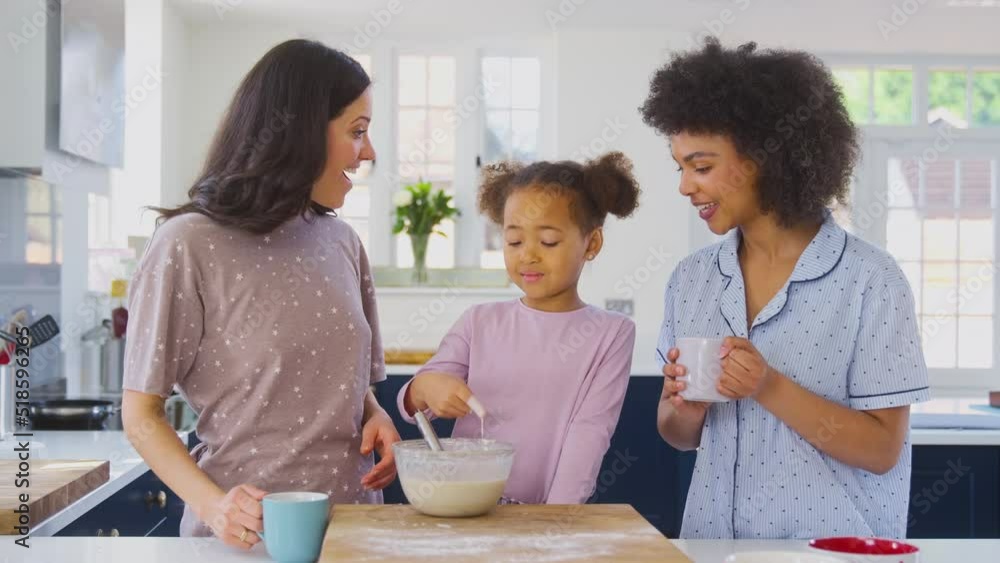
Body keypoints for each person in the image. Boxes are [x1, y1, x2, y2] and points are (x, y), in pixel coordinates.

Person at [642, 39, 930, 539]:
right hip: (712, 548)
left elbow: (882, 451)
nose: (685, 187)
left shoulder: (871, 281)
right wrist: (682, 409)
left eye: (702, 166)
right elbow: (680, 437)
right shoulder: (691, 281)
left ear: (764, 159)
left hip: (833, 553)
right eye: (681, 167)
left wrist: (767, 386)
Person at [121, 39, 400, 548]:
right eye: (356, 132)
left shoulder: (342, 241)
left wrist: (373, 415)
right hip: (244, 540)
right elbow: (140, 414)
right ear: (299, 132)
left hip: (355, 534)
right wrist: (213, 505)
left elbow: (351, 383)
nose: (370, 152)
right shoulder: (188, 243)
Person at [397, 152, 641, 504]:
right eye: (514, 242)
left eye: (548, 242)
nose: (528, 255)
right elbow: (415, 399)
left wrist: (555, 521)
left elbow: (589, 435)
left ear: (592, 243)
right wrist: (425, 387)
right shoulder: (479, 321)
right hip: (464, 508)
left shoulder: (611, 334)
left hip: (544, 518)